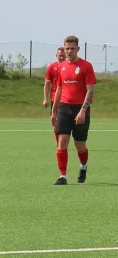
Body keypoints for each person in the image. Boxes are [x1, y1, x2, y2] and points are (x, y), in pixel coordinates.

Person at [51, 35, 96, 185]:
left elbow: (90, 91)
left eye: (72, 48)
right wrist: (54, 111)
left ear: (78, 49)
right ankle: (62, 176)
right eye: (67, 48)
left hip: (81, 108)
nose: (69, 51)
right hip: (64, 107)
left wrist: (83, 110)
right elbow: (59, 89)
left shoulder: (86, 66)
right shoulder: (61, 67)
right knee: (62, 140)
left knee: (80, 146)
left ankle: (83, 166)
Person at [43, 47, 66, 144]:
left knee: (66, 121)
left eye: (63, 56)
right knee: (56, 121)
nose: (61, 57)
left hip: (67, 98)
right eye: (59, 55)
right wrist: (45, 99)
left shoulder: (70, 67)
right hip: (55, 98)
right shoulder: (51, 67)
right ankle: (59, 142)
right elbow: (47, 83)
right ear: (56, 55)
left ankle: (64, 140)